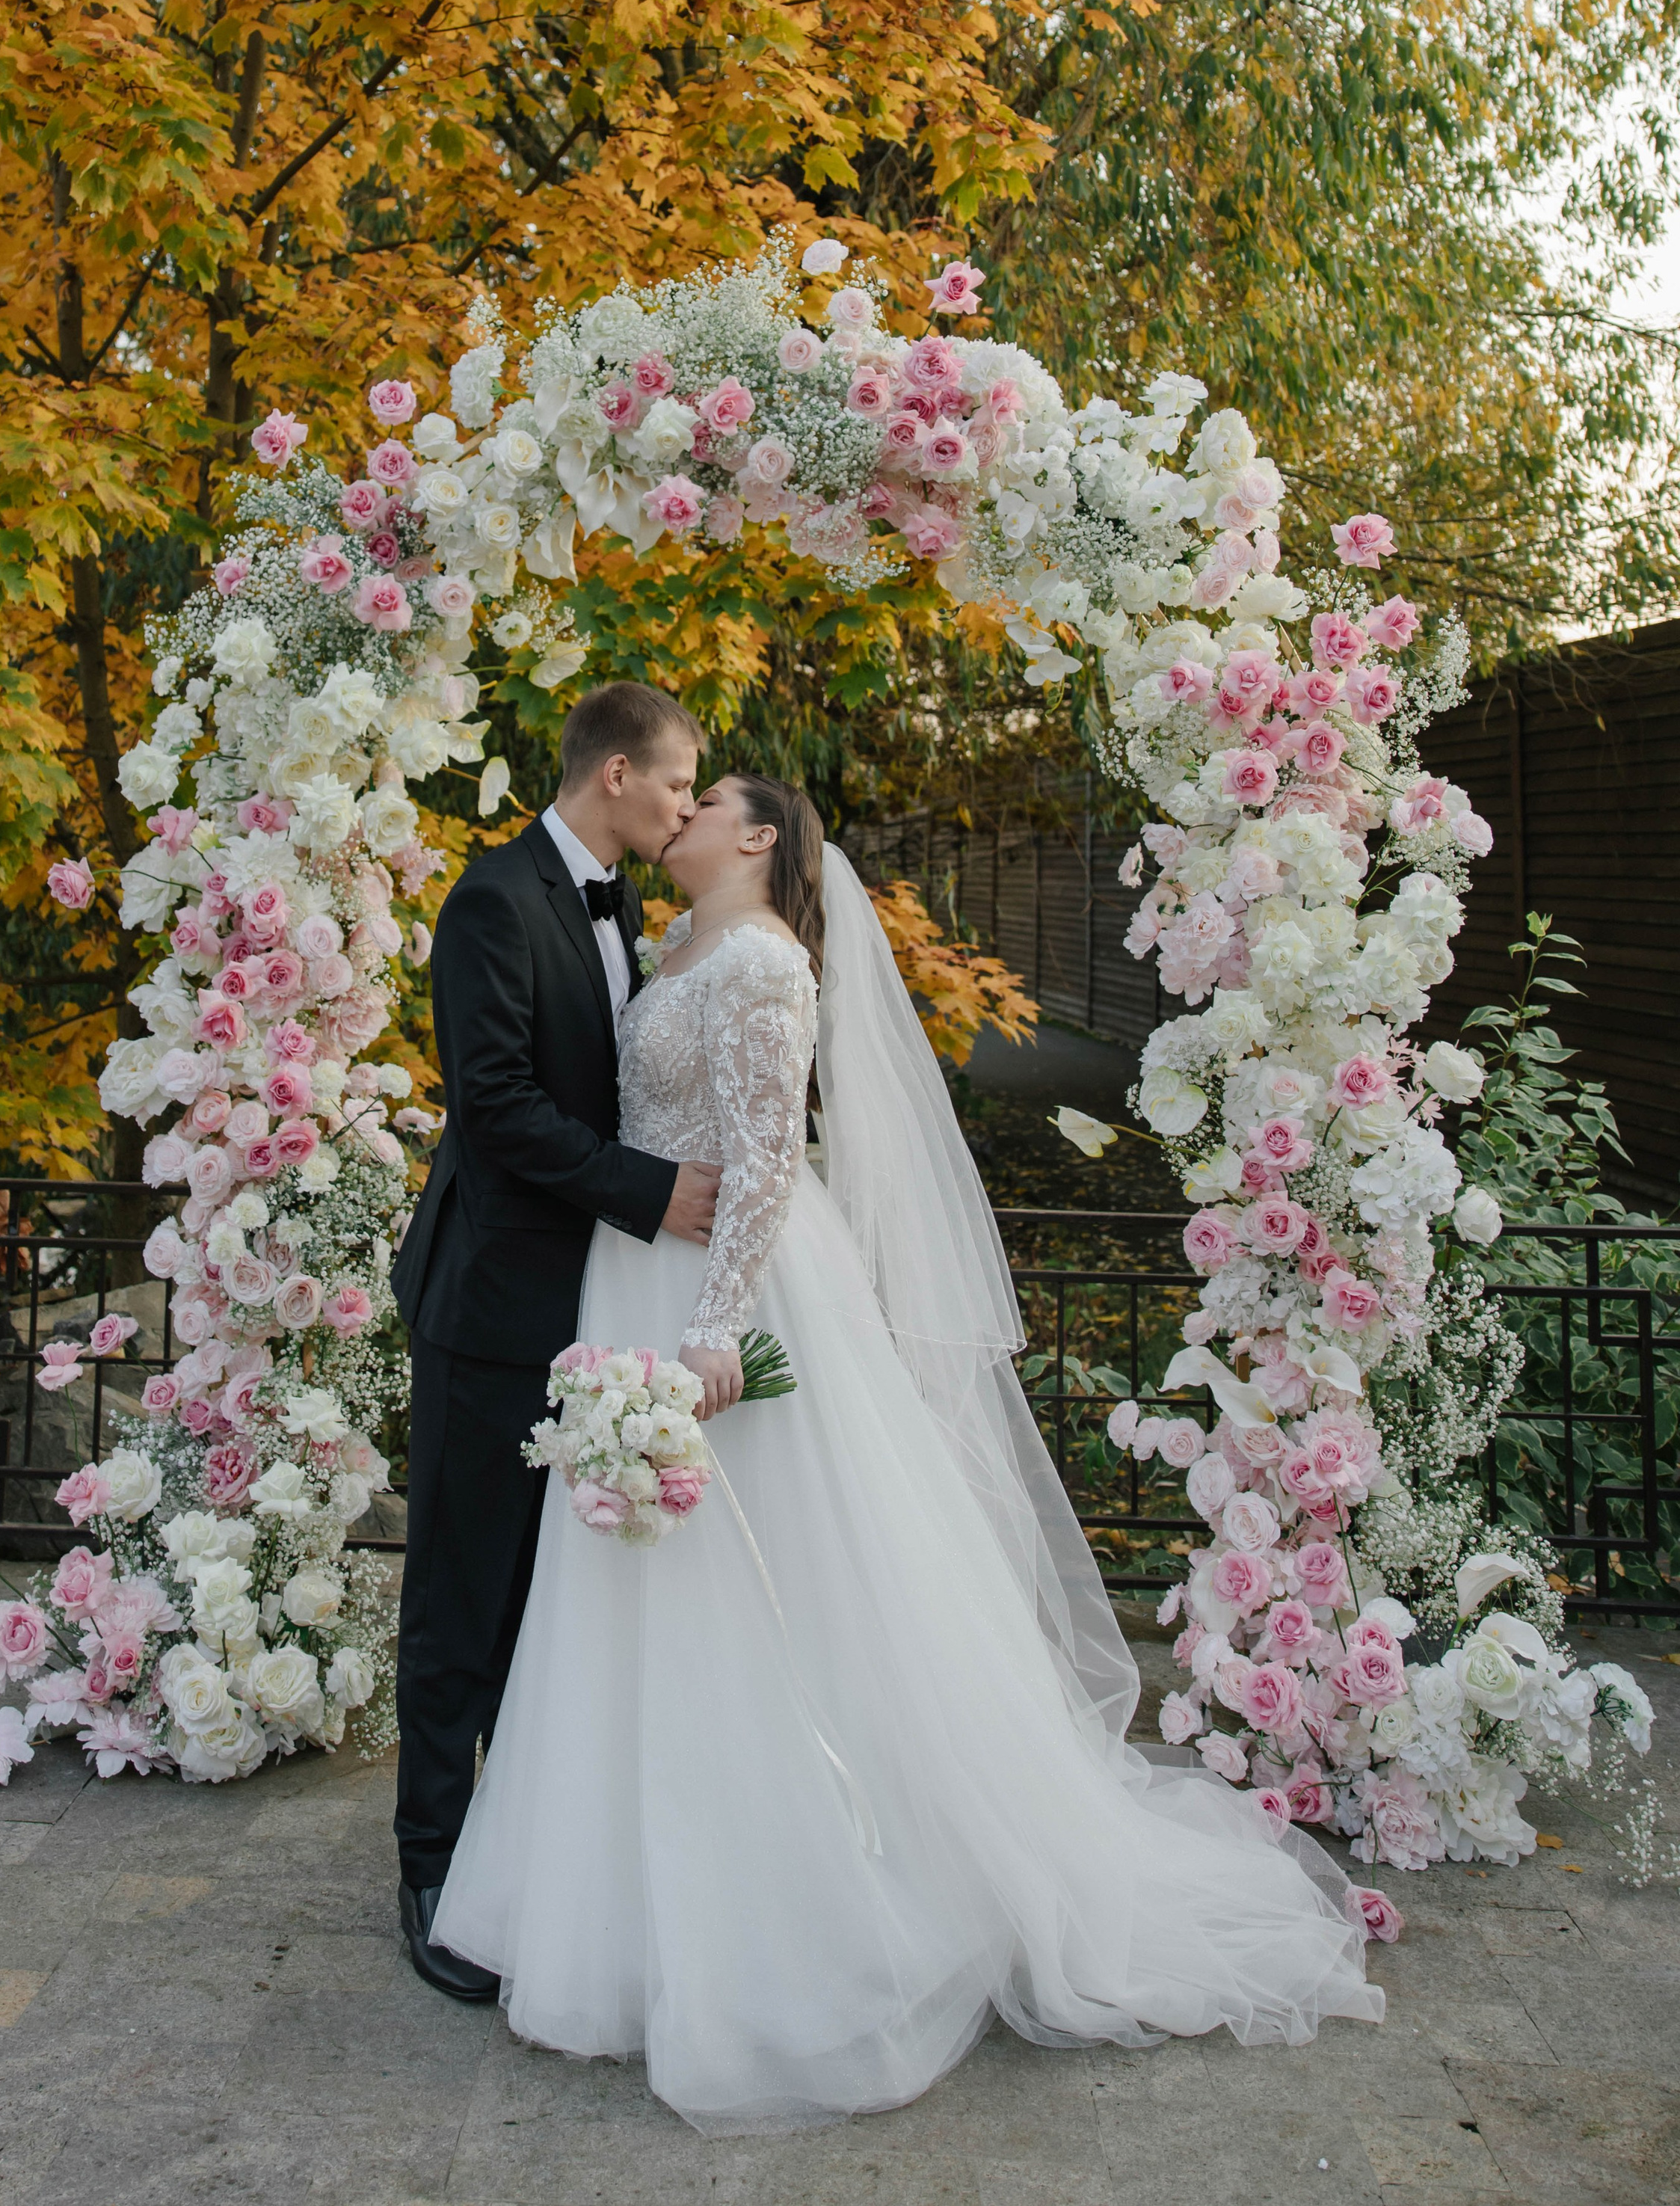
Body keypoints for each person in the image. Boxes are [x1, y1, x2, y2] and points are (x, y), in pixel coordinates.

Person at [428, 772, 1385, 2129]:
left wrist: (714, 1331)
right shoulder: (675, 943)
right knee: (638, 1593)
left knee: (777, 1592)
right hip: (628, 1278)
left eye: (709, 802)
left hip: (730, 1296)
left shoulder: (764, 961)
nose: (683, 814)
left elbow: (766, 1154)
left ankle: (806, 1895)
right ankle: (620, 1898)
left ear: (757, 839)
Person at [388, 680, 722, 1999]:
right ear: (621, 771)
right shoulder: (490, 900)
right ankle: (427, 1871)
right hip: (492, 1302)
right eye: (682, 778)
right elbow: (500, 1107)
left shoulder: (623, 906)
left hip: (589, 1312)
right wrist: (654, 1195)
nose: (690, 802)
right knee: (462, 1597)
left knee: (546, 1605)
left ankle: (521, 1861)